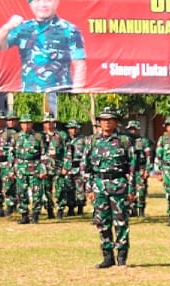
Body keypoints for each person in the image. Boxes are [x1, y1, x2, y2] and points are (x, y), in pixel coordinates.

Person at [0, 0, 87, 92]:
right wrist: (8, 26)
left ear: (56, 2)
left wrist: (76, 93)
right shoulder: (23, 28)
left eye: (47, 0)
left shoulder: (69, 30)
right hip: (29, 94)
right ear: (31, 4)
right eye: (37, 0)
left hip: (60, 93)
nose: (42, 5)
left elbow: (80, 65)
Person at [82, 106, 136, 267]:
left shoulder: (124, 141)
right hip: (99, 186)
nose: (106, 122)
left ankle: (121, 256)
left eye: (110, 119)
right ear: (99, 123)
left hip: (119, 185)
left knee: (121, 222)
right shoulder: (92, 141)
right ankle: (107, 256)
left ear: (115, 122)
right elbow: (85, 166)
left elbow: (133, 166)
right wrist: (89, 188)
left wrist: (132, 189)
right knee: (102, 222)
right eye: (103, 120)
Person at [11, 113, 45, 224]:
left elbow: (44, 155)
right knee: (21, 193)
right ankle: (24, 215)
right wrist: (11, 170)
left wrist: (43, 169)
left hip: (35, 167)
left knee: (37, 193)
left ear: (32, 124)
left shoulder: (38, 137)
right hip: (20, 168)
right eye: (24, 124)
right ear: (21, 125)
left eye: (28, 123)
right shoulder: (16, 137)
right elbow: (11, 154)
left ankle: (35, 215)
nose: (26, 126)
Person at [63, 120, 90, 216]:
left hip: (79, 166)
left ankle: (80, 208)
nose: (73, 130)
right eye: (71, 128)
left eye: (75, 128)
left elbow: (87, 153)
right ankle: (70, 208)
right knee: (69, 188)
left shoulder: (84, 140)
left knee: (80, 188)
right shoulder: (65, 140)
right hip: (68, 167)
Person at [127, 120, 154, 217]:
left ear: (138, 129)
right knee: (130, 189)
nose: (132, 131)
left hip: (141, 168)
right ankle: (132, 209)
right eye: (130, 129)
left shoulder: (144, 141)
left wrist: (147, 169)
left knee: (141, 190)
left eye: (134, 129)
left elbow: (149, 157)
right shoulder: (126, 141)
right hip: (129, 170)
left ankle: (141, 210)